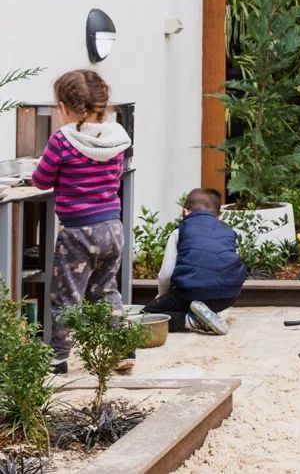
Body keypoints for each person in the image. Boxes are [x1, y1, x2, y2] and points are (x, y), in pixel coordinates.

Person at [32, 70, 131, 375]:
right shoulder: (115, 138)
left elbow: (41, 180)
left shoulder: (62, 139)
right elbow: (115, 176)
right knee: (106, 290)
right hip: (113, 227)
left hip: (78, 232)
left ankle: (58, 359)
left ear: (62, 107)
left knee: (67, 296)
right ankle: (122, 350)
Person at [142, 188, 245, 335]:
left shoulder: (180, 232)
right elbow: (231, 264)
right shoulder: (228, 232)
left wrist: (162, 297)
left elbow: (165, 274)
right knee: (195, 296)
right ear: (219, 217)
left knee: (146, 316)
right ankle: (210, 314)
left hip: (191, 293)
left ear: (185, 211)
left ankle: (191, 321)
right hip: (228, 296)